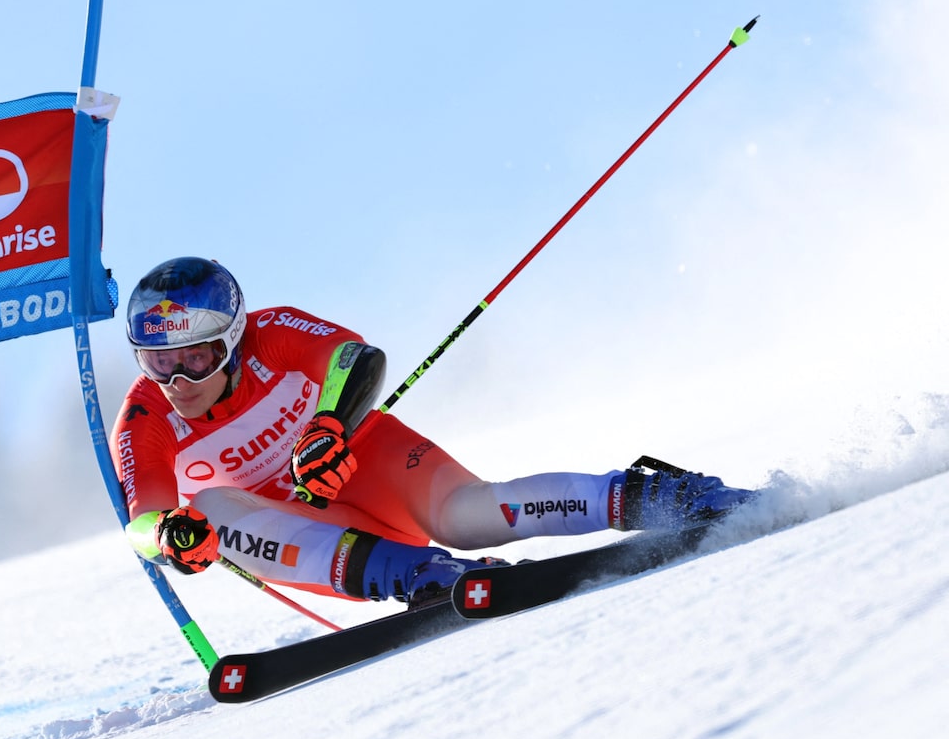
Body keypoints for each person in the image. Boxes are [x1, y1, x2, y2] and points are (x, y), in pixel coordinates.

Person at [110, 257, 754, 608]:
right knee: (213, 509)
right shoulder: (144, 418)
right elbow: (142, 522)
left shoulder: (272, 333)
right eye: (157, 359)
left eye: (197, 355)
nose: (178, 378)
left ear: (233, 337)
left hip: (366, 462)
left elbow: (357, 360)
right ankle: (422, 576)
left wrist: (329, 428)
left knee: (468, 513)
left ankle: (660, 498)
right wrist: (168, 535)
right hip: (306, 531)